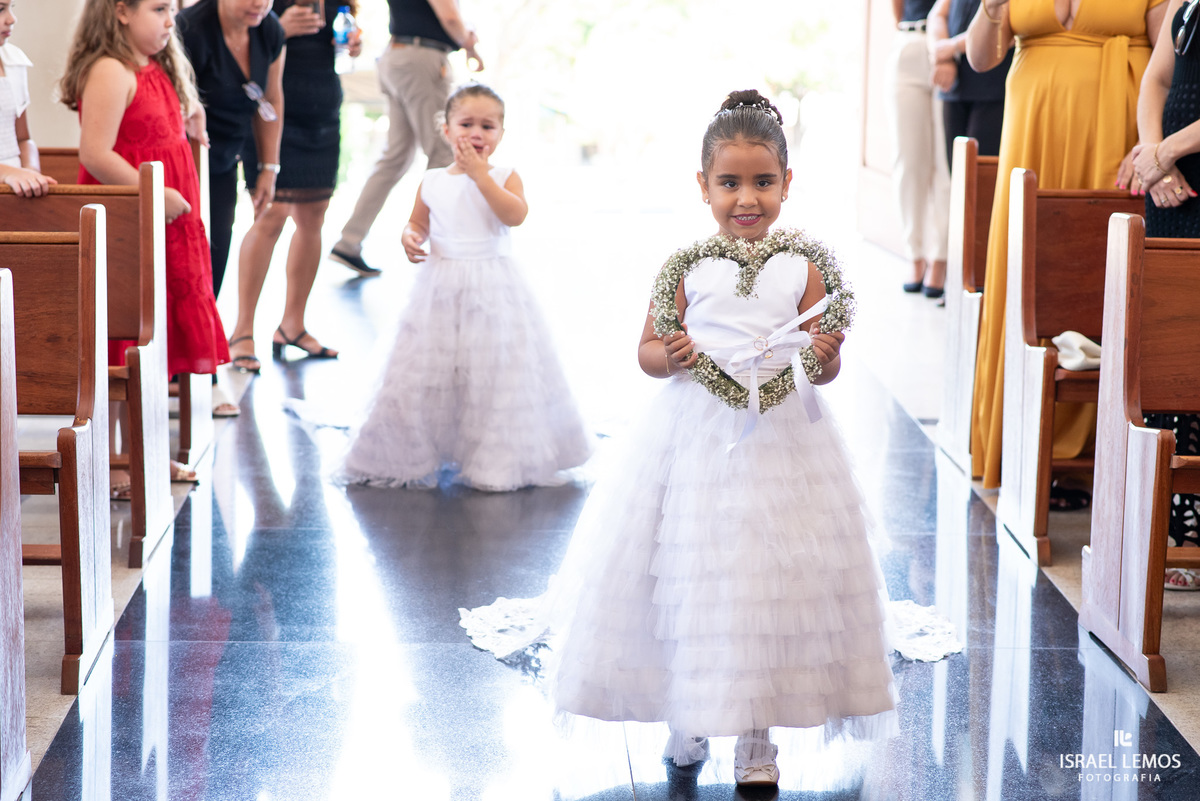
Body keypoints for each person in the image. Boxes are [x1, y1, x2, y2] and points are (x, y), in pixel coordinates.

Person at [514, 91, 896, 788]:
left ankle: (757, 735)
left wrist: (826, 351)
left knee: (764, 584)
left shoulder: (804, 265)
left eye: (762, 181)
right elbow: (647, 352)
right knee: (690, 574)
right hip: (693, 441)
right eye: (729, 183)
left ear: (787, 182)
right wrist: (677, 353)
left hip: (785, 446)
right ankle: (687, 708)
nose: (746, 199)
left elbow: (825, 367)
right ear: (703, 186)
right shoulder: (685, 267)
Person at [338, 84, 592, 491]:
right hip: (440, 287)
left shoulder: (505, 176)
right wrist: (411, 236)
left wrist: (479, 175)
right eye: (467, 123)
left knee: (493, 372)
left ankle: (496, 460)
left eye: (488, 125)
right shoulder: (433, 180)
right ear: (446, 129)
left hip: (493, 288)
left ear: (501, 134)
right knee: (432, 370)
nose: (477, 132)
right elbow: (418, 221)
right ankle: (421, 448)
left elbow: (514, 215)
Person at [965, 0, 1168, 492]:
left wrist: (1149, 143)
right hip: (1032, 129)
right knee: (1026, 270)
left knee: (1094, 274)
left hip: (1115, 127)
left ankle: (1088, 459)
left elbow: (1170, 62)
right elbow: (980, 58)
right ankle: (1019, 437)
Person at [60, 0, 232, 486]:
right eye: (158, 9)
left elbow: (160, 129)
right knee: (122, 343)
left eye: (171, 10)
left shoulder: (152, 65)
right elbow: (95, 154)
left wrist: (191, 116)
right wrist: (153, 193)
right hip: (130, 223)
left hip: (165, 220)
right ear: (120, 11)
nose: (169, 20)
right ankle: (115, 464)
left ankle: (142, 457)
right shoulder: (111, 70)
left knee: (154, 343)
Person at [231, 0, 362, 364]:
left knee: (314, 216)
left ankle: (293, 324)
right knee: (270, 216)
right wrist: (279, 28)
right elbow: (234, 37)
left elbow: (341, 37)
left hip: (323, 110)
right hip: (274, 114)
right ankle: (242, 331)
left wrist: (353, 43)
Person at [1122, 0, 1200, 589]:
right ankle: (1165, 530)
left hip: (1187, 175)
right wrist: (1154, 155)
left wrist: (1168, 150)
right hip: (1171, 194)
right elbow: (1157, 77)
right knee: (1168, 347)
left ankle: (1193, 533)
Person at [327, 0, 483, 277]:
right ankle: (445, 248)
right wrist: (469, 45)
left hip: (398, 55)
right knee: (444, 154)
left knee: (396, 157)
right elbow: (449, 17)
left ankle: (349, 241)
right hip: (421, 57)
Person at [177, 0, 284, 373]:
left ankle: (197, 359)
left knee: (216, 251)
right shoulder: (190, 29)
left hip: (227, 155)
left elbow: (270, 99)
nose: (260, 3)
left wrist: (268, 167)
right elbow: (177, 111)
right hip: (186, 155)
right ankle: (180, 365)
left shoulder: (269, 29)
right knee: (186, 257)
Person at [890, 0, 951, 298]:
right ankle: (915, 255)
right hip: (909, 42)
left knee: (945, 163)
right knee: (909, 161)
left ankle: (940, 259)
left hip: (949, 47)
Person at [927, 0, 1012, 167]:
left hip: (992, 87)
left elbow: (1008, 29)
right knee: (956, 171)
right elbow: (937, 15)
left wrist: (953, 47)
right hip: (955, 84)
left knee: (980, 171)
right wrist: (943, 57)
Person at [0, 0, 55, 197]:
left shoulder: (13, 61)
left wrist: (31, 172)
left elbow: (23, 138)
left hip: (15, 192)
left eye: (11, 8)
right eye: (0, 9)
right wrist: (7, 173)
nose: (11, 19)